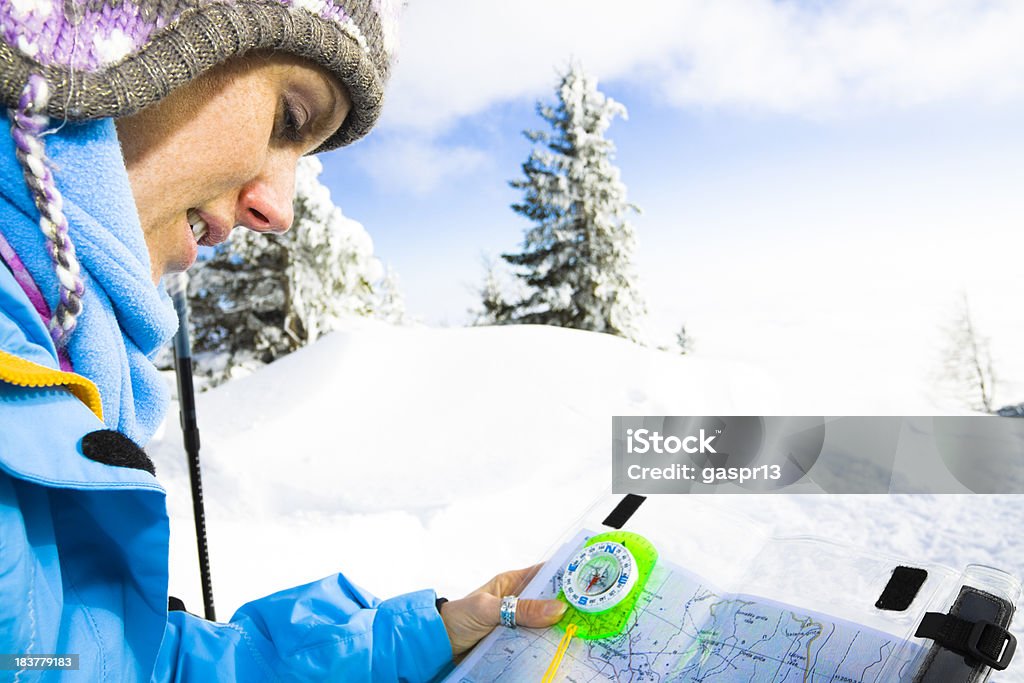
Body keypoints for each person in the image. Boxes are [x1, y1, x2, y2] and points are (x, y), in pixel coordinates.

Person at [0, 1, 567, 680]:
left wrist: (425, 636)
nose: (279, 210)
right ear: (109, 37)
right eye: (289, 119)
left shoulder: (45, 380)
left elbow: (121, 663)